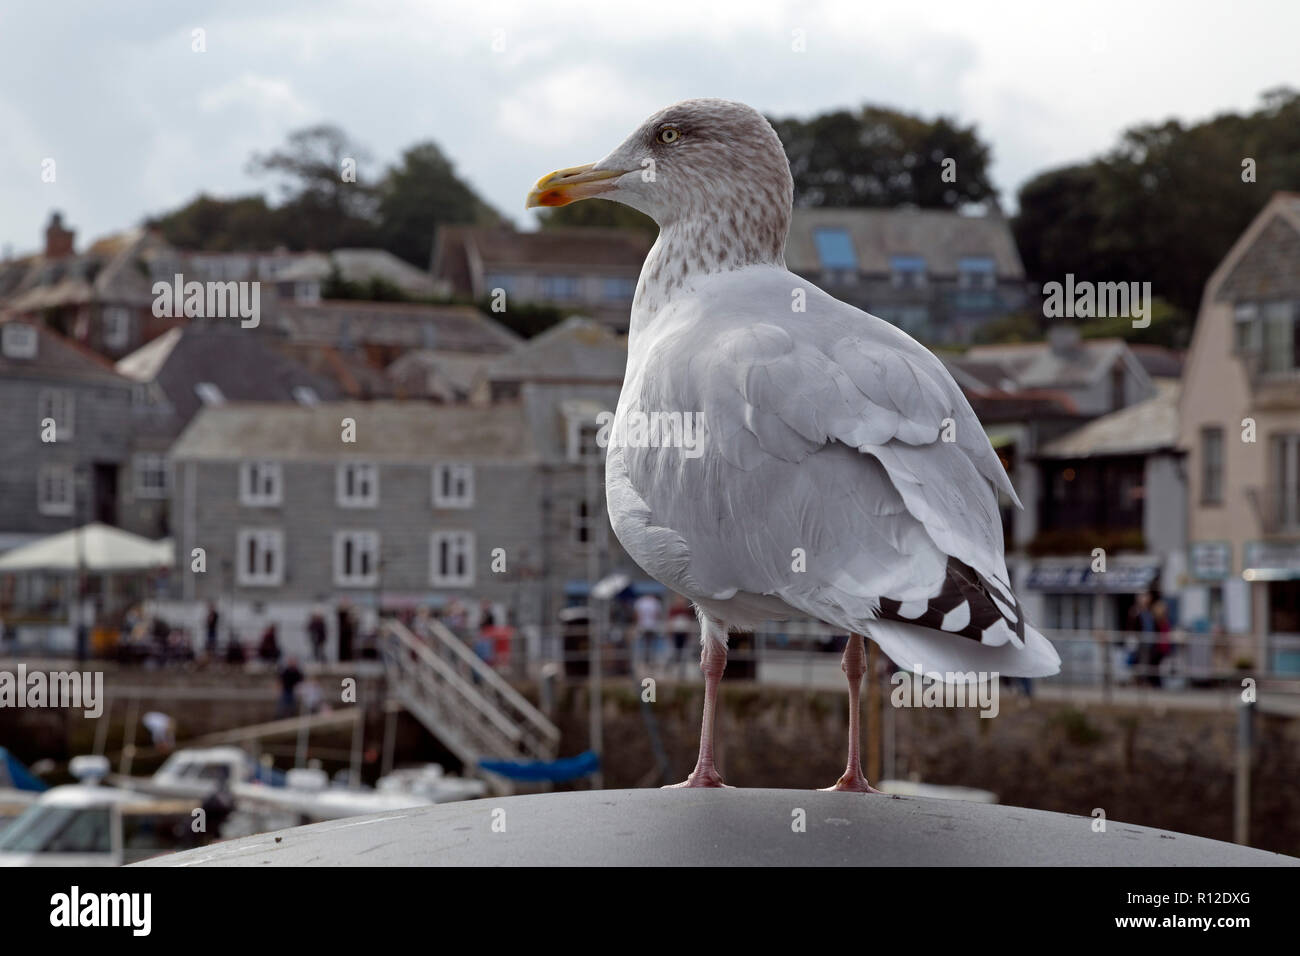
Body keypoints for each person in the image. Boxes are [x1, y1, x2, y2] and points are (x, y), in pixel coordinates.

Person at [633, 592, 664, 670]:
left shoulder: (640, 602)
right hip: (652, 626)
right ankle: (650, 660)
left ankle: (645, 660)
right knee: (651, 645)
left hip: (643, 626)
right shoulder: (656, 602)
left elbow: (637, 615)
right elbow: (658, 615)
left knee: (644, 645)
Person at [668, 596, 694, 676]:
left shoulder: (686, 610)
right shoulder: (674, 610)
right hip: (676, 633)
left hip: (684, 633)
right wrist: (670, 632)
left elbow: (689, 622)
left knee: (684, 652)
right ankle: (671, 668)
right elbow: (670, 622)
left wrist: (689, 633)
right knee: (675, 651)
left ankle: (681, 670)